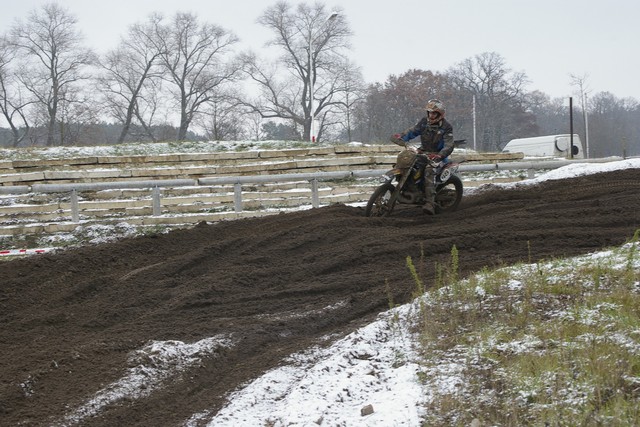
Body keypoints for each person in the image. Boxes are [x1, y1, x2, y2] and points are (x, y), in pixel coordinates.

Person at [390, 99, 454, 215]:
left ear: (440, 114)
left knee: (429, 170)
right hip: (423, 152)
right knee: (407, 162)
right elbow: (413, 131)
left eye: (434, 113)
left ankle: (430, 203)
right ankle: (408, 188)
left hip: (438, 156)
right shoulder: (424, 122)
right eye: (429, 112)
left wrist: (440, 155)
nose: (431, 115)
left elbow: (449, 145)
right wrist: (401, 136)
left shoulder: (446, 127)